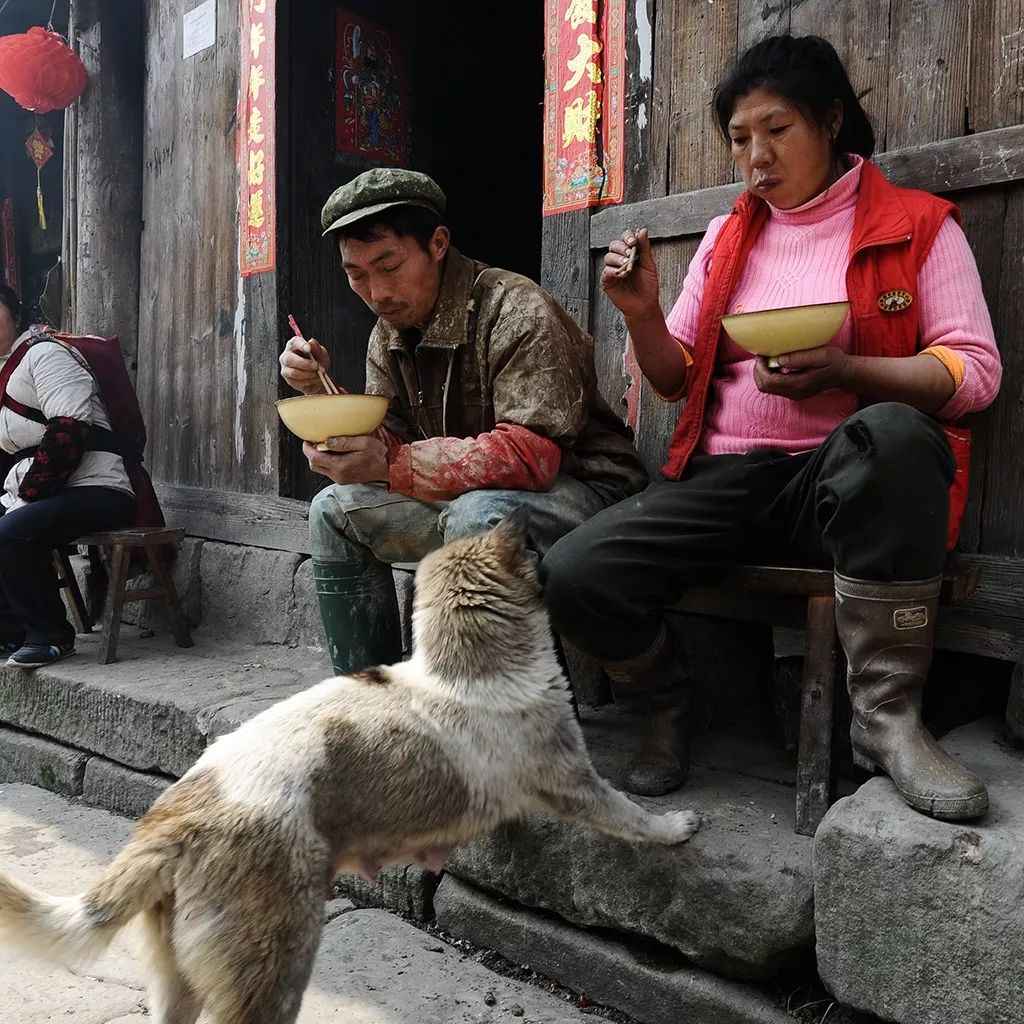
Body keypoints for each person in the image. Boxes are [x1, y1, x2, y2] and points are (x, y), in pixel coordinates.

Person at [541, 35, 1002, 820]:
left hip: (843, 489)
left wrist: (851, 371)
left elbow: (974, 375)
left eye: (777, 131)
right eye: (739, 139)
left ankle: (887, 722)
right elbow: (673, 376)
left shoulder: (919, 226)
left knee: (893, 434)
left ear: (830, 122)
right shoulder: (728, 236)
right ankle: (668, 707)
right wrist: (645, 314)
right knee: (576, 571)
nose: (757, 157)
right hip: (728, 481)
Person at [279, 168, 647, 675]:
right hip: (470, 499)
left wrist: (390, 461)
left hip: (586, 492)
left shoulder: (514, 309)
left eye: (388, 265)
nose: (376, 291)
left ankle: (509, 729)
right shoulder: (386, 337)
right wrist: (320, 394)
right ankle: (373, 707)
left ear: (437, 243)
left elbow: (532, 456)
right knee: (331, 511)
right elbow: (397, 444)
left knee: (475, 517)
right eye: (356, 274)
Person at [0, 285, 136, 668]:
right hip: (45, 489)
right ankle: (9, 633)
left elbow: (68, 432)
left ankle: (50, 635)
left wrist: (29, 496)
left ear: (16, 313)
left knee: (12, 531)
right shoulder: (4, 370)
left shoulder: (46, 356)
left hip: (98, 489)